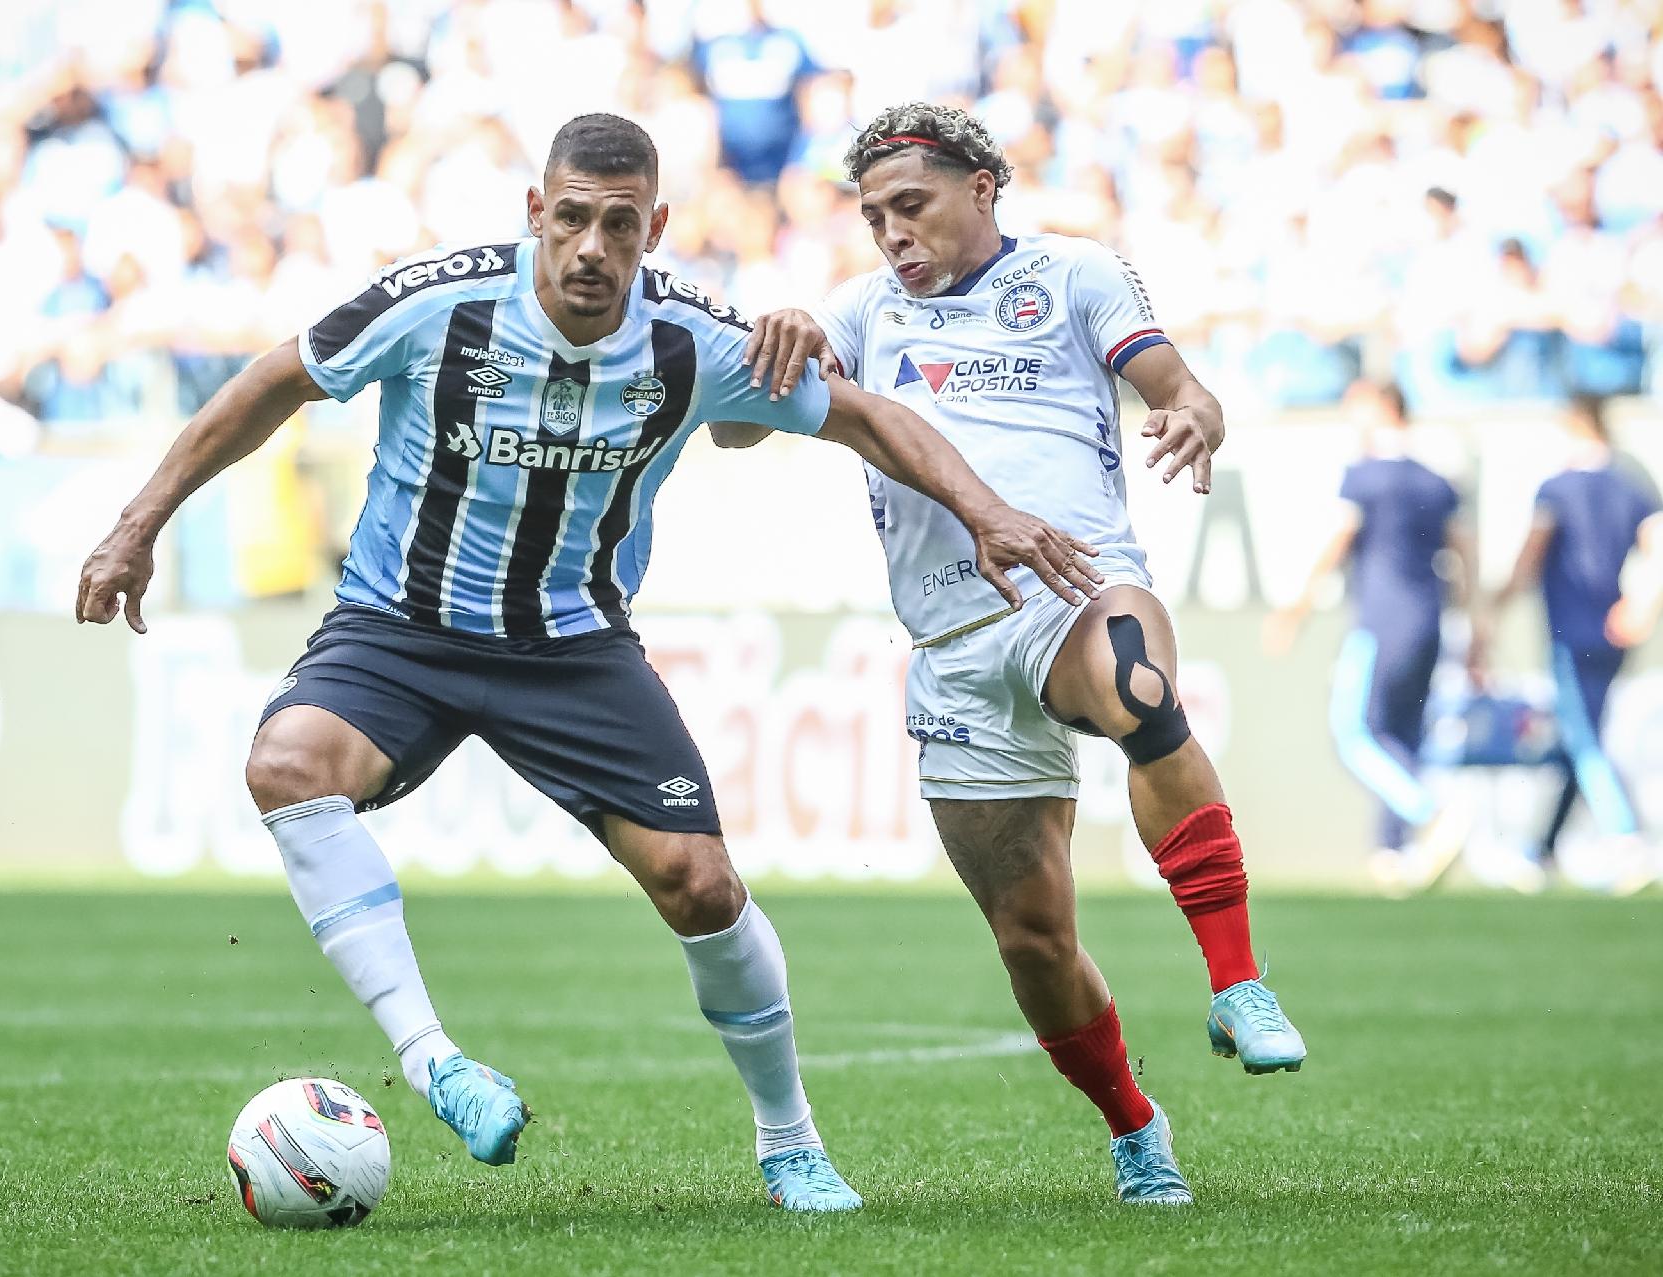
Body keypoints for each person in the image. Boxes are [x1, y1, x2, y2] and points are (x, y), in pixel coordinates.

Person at [75, 113, 1100, 1213]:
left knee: (700, 883)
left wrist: (985, 510)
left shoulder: (690, 337)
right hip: (401, 628)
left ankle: (789, 1139)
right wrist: (137, 524)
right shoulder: (440, 302)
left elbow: (868, 419)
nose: (592, 250)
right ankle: (437, 1063)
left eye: (620, 226)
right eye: (571, 219)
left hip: (572, 647)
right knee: (286, 764)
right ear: (536, 214)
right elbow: (272, 382)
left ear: (653, 228)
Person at [720, 102, 1309, 1206]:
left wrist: (1196, 413)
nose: (893, 233)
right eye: (875, 216)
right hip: (950, 647)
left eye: (913, 205)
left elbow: (1179, 385)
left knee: (1141, 684)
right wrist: (772, 352)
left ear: (982, 187)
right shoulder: (858, 311)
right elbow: (736, 430)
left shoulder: (1076, 276)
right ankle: (1135, 1123)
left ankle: (1238, 982)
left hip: (1074, 585)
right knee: (1034, 937)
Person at [1266, 380, 1475, 891]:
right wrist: (1476, 621)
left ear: (1384, 407)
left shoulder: (1365, 476)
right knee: (1402, 734)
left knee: (1354, 732)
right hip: (1430, 619)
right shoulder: (1436, 481)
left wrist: (1296, 609)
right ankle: (1392, 853)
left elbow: (1337, 541)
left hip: (1380, 621)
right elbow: (1464, 553)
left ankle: (1430, 814)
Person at [1480, 394, 1663, 887]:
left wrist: (1493, 606)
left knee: (1582, 738)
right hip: (1617, 632)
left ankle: (1627, 838)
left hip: (1570, 632)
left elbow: (1531, 552)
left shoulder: (1557, 488)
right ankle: (1541, 849)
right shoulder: (1632, 484)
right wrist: (1642, 603)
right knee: (1580, 736)